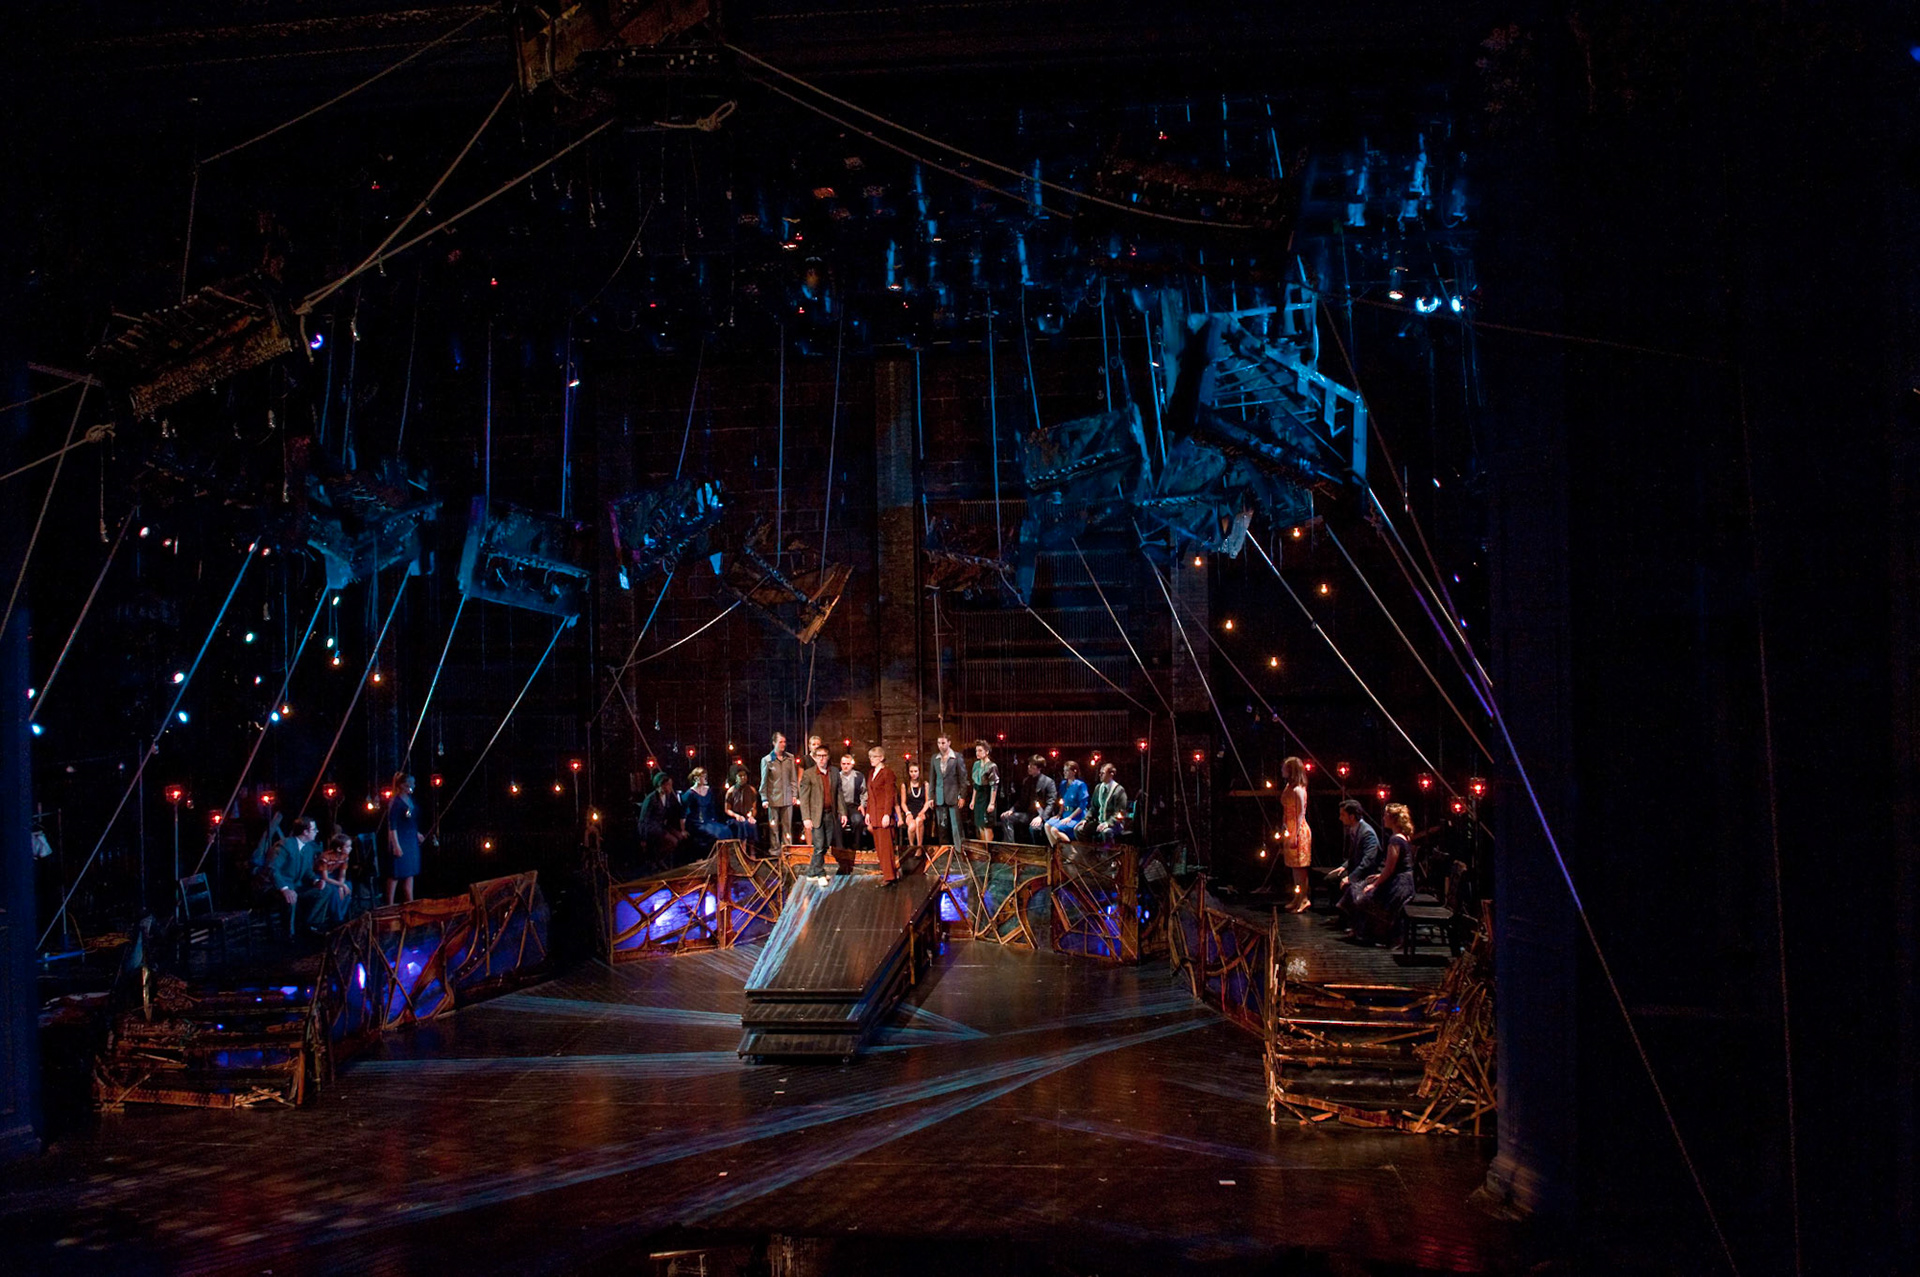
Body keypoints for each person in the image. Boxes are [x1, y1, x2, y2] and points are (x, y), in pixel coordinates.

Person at [1352, 802, 1418, 945]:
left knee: (1363, 895)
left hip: (1400, 886)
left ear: (1393, 819)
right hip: (1404, 881)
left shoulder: (1395, 840)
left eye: (1385, 816)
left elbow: (1390, 869)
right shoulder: (1403, 836)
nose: (1383, 818)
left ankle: (1375, 934)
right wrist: (1378, 877)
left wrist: (1375, 884)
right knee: (1365, 888)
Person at [1324, 798, 1381, 914]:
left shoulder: (1367, 833)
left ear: (1352, 816)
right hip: (1356, 867)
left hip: (1367, 871)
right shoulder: (1354, 829)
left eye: (1343, 815)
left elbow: (1368, 861)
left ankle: (1348, 918)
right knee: (1331, 878)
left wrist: (1350, 878)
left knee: (1344, 883)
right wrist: (1344, 866)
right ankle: (1339, 914)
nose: (1340, 818)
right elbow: (1354, 854)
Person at [1278, 756, 1313, 913]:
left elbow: (1300, 814)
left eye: (1285, 768)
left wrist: (1295, 835)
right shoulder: (1289, 787)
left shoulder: (1299, 790)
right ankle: (1297, 897)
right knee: (1293, 866)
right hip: (1289, 828)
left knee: (1300, 868)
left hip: (1299, 830)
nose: (1282, 771)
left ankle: (1304, 898)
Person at [1000, 755, 1056, 845]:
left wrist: (1041, 817)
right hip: (1029, 814)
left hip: (1041, 815)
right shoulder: (1027, 781)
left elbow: (1051, 803)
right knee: (1006, 817)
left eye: (1032, 766)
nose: (1028, 767)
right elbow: (1022, 800)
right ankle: (1010, 846)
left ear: (1039, 768)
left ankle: (1037, 853)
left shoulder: (1048, 782)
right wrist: (1012, 810)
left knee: (1034, 827)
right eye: (1029, 765)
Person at [865, 746, 901, 883]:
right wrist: (868, 812)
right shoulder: (871, 773)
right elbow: (870, 796)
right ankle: (889, 873)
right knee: (879, 847)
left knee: (885, 847)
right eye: (870, 757)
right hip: (874, 813)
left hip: (883, 813)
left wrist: (887, 814)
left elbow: (889, 795)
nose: (871, 760)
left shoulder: (887, 773)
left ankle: (890, 876)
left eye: (874, 757)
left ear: (881, 758)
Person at [385, 774, 422, 906]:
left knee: (409, 871)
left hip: (410, 838)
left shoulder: (410, 800)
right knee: (396, 873)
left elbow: (411, 820)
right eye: (410, 784)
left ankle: (410, 901)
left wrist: (417, 833)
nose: (413, 786)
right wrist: (396, 845)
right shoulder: (396, 802)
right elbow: (392, 825)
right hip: (400, 839)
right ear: (402, 785)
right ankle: (389, 904)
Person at [797, 744, 833, 876]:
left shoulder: (833, 772)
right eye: (819, 756)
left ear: (828, 757)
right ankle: (820, 872)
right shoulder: (808, 774)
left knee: (825, 845)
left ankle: (811, 873)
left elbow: (838, 793)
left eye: (824, 756)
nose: (822, 759)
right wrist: (806, 817)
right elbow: (804, 797)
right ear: (815, 758)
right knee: (819, 845)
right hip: (816, 815)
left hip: (830, 814)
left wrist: (842, 812)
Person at [759, 732, 799, 847]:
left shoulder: (789, 758)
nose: (783, 744)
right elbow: (764, 781)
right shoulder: (767, 760)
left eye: (784, 742)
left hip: (787, 798)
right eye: (780, 742)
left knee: (787, 827)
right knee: (774, 827)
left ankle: (787, 849)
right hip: (773, 798)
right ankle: (775, 850)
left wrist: (794, 794)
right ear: (774, 743)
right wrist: (764, 798)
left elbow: (793, 778)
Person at [830, 751, 868, 870]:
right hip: (840, 806)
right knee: (837, 822)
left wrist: (863, 805)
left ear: (852, 765)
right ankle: (840, 848)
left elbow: (864, 793)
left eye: (848, 764)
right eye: (843, 763)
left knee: (857, 820)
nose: (845, 766)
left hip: (853, 805)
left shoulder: (859, 776)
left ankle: (856, 847)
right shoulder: (836, 776)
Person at [928, 735, 967, 846]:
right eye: (939, 743)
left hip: (953, 796)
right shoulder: (934, 758)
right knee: (942, 827)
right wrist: (931, 797)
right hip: (940, 797)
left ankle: (959, 852)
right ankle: (944, 854)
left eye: (943, 743)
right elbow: (932, 779)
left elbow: (963, 779)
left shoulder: (957, 757)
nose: (941, 745)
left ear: (949, 742)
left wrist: (962, 796)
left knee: (956, 827)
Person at [682, 767, 730, 852]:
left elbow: (712, 807)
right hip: (696, 821)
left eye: (705, 776)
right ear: (696, 778)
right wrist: (683, 829)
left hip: (708, 820)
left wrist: (713, 819)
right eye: (703, 776)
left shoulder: (708, 790)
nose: (705, 778)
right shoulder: (690, 793)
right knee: (714, 834)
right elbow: (683, 812)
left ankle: (723, 856)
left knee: (726, 830)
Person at [1044, 759, 1089, 848]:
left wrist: (1069, 817)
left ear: (1074, 772)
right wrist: (1059, 814)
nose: (1064, 773)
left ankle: (1070, 853)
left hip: (1076, 816)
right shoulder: (1063, 784)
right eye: (1064, 770)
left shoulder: (1080, 785)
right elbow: (1063, 801)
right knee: (1047, 825)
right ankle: (1056, 851)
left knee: (1054, 830)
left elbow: (1082, 805)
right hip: (1065, 814)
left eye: (1067, 771)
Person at [1090, 762, 1129, 842]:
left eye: (1103, 773)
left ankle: (1107, 853)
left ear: (1111, 774)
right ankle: (1088, 853)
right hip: (1099, 822)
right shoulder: (1098, 788)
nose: (1100, 775)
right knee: (1079, 829)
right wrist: (1085, 819)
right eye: (1100, 773)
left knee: (1106, 832)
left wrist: (1107, 823)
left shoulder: (1119, 790)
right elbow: (1093, 808)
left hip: (1115, 824)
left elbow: (1120, 813)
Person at [969, 741, 1000, 841]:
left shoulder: (992, 766)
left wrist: (991, 803)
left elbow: (994, 786)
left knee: (987, 825)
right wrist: (973, 800)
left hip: (987, 795)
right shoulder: (976, 765)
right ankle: (983, 849)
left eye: (980, 750)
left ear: (986, 752)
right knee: (980, 825)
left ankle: (989, 850)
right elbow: (975, 784)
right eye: (976, 751)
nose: (977, 753)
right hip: (979, 796)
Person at [724, 765, 760, 846]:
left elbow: (754, 807)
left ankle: (752, 852)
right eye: (740, 776)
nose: (743, 777)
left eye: (744, 775)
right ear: (736, 778)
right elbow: (727, 809)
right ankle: (742, 850)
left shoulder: (752, 790)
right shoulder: (731, 791)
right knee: (741, 825)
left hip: (747, 816)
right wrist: (736, 816)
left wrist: (752, 816)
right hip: (735, 818)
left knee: (751, 825)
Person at [901, 761, 931, 849]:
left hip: (922, 810)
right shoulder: (905, 785)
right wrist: (907, 813)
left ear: (919, 772)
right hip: (910, 811)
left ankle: (919, 846)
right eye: (911, 771)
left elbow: (927, 801)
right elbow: (903, 803)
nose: (913, 774)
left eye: (915, 771)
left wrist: (922, 812)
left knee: (918, 820)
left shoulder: (925, 784)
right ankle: (911, 846)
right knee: (912, 826)